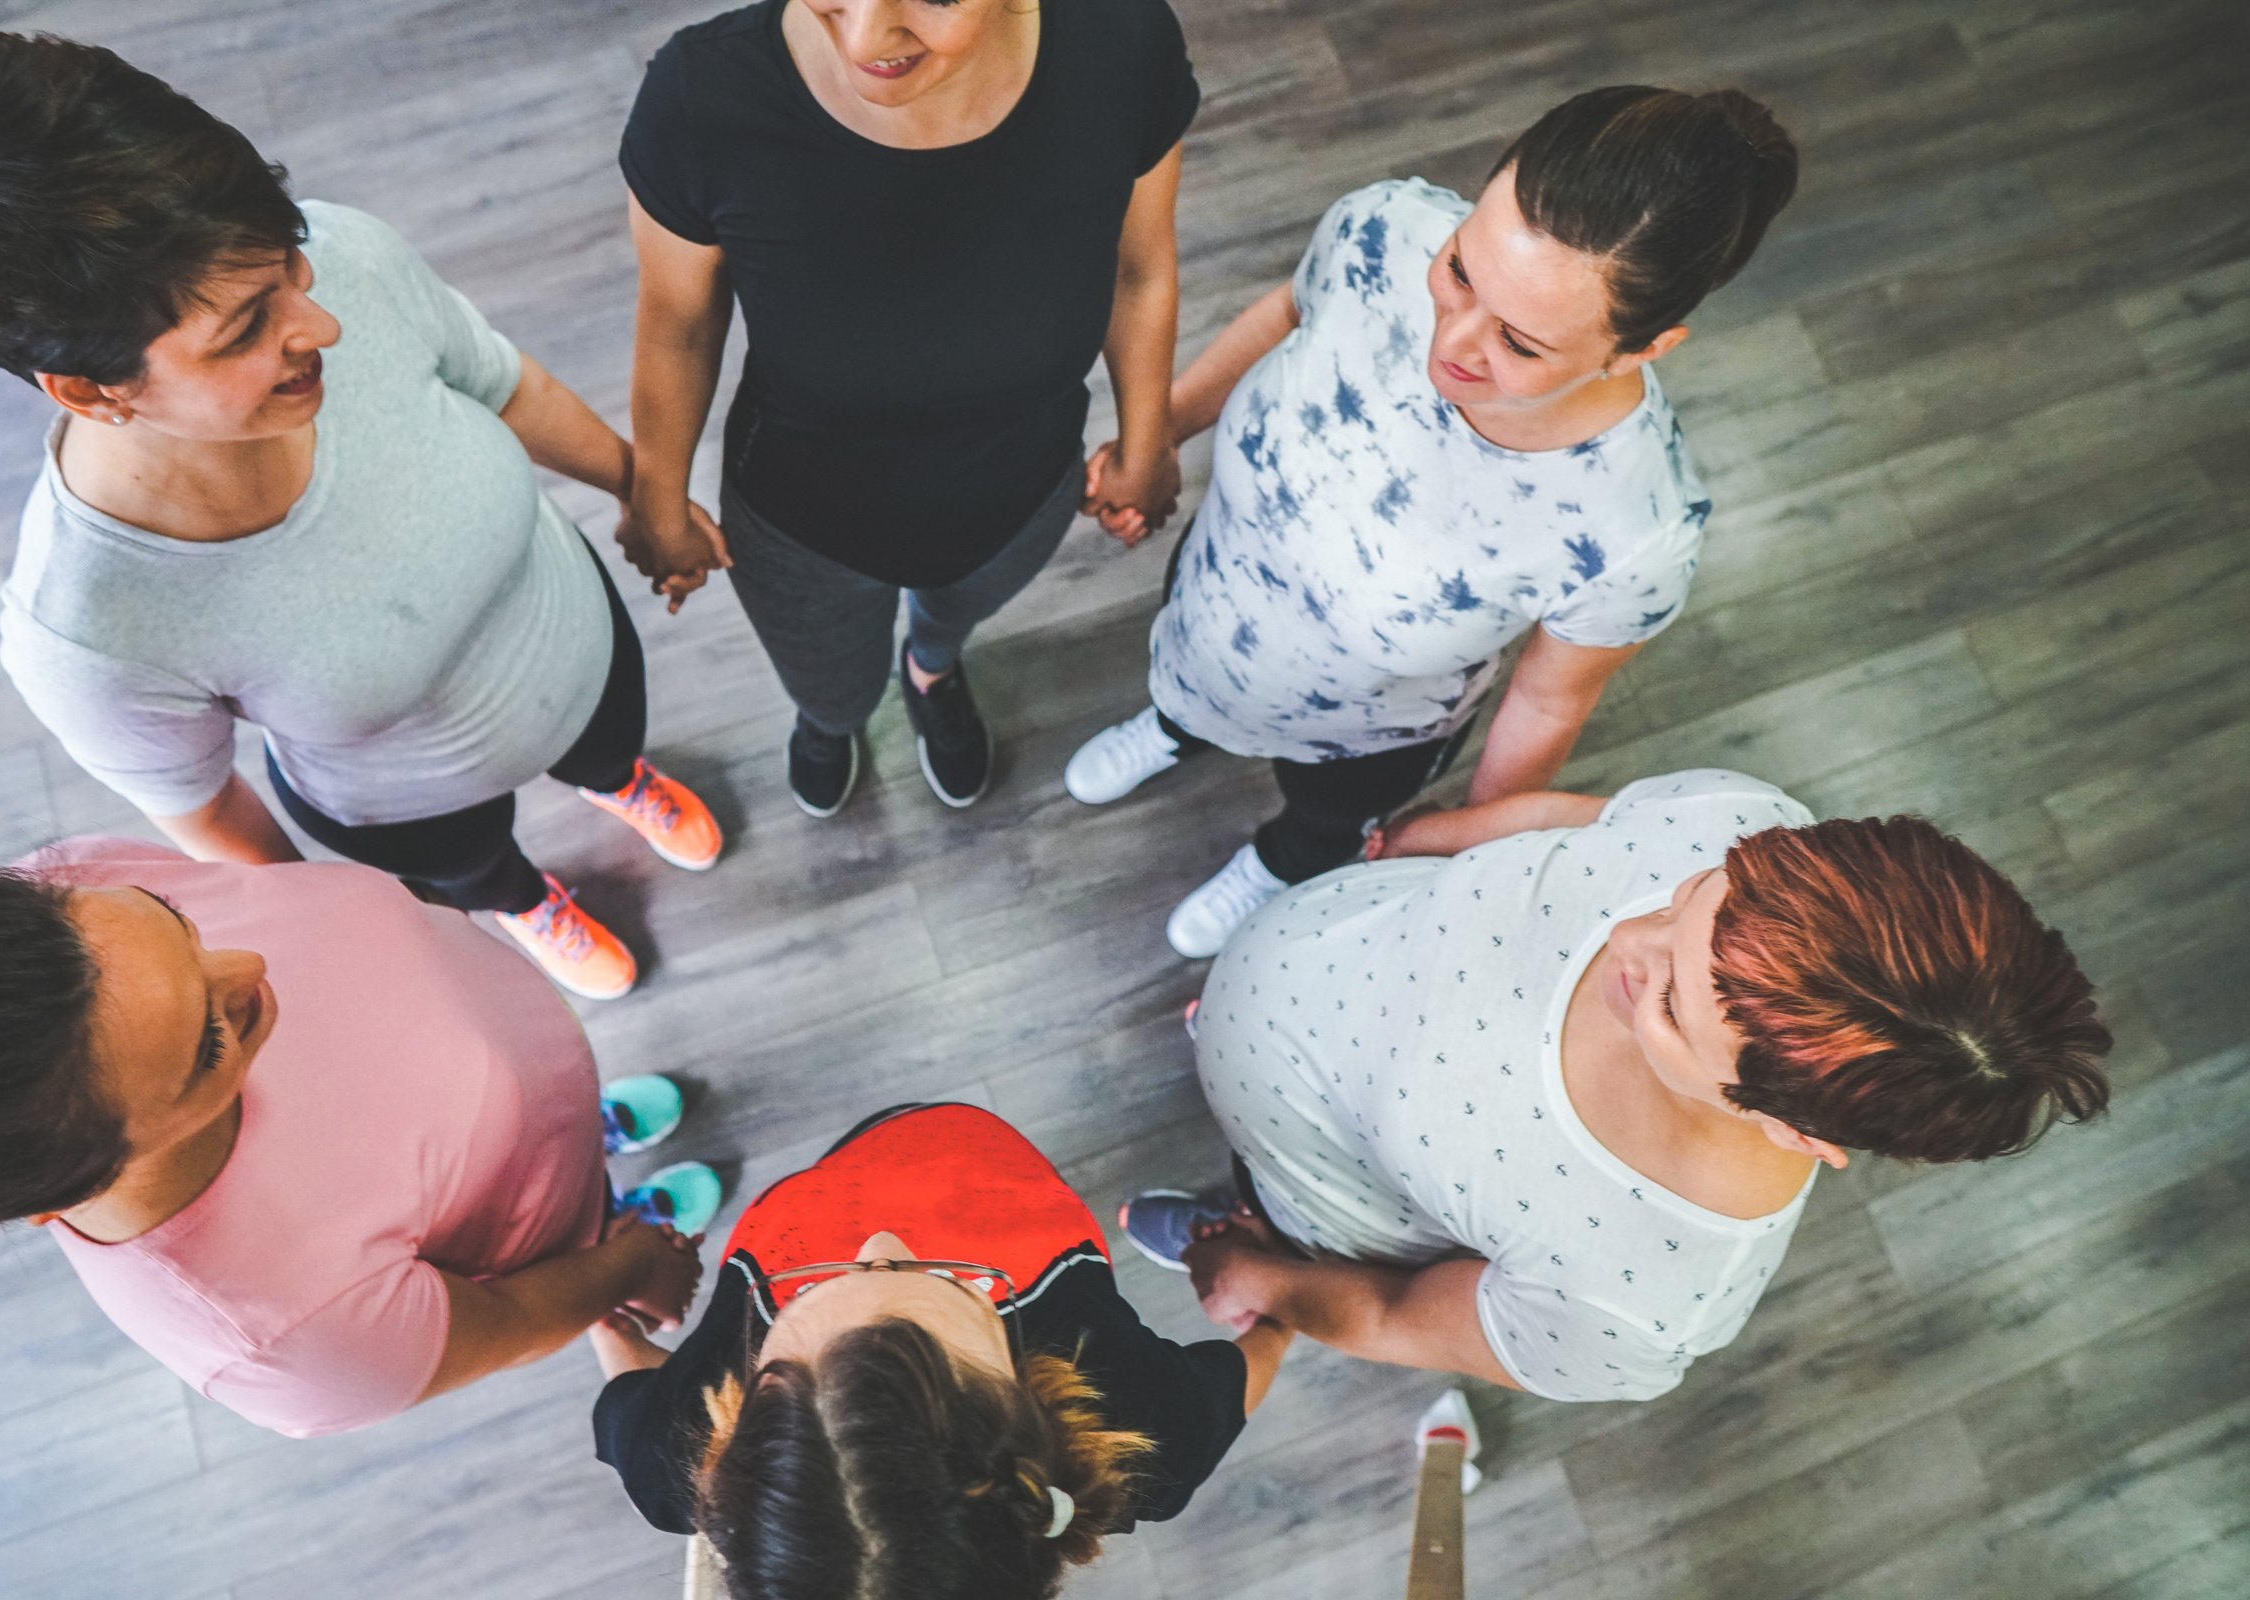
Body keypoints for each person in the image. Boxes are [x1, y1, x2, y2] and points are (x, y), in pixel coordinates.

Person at [0, 33, 722, 1000]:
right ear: (93, 392)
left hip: (577, 642)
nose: (321, 324)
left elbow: (499, 380)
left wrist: (645, 497)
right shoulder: (91, 637)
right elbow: (209, 809)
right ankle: (521, 899)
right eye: (246, 328)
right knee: (471, 865)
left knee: (607, 738)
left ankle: (614, 777)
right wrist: (343, 932)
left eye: (289, 266)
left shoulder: (347, 252)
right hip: (414, 805)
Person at [1062, 86, 1800, 958]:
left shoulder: (1634, 535)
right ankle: (1178, 722)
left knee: (1325, 815)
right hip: (1220, 587)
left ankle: (1281, 859)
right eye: (1459, 270)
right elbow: (1291, 313)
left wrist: (1467, 831)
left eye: (1520, 344)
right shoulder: (1383, 227)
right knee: (1189, 677)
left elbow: (1545, 696)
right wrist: (1163, 435)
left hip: (1360, 731)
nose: (1451, 342)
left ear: (1643, 348)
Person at [1120, 770, 2113, 1403]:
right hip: (1319, 949)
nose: (1624, 942)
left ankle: (1233, 1212)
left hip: (1312, 1191)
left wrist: (1266, 1281)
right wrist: (1440, 835)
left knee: (1262, 1219)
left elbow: (1391, 1313)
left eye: (1673, 1006)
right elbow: (1581, 822)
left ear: (1799, 1133)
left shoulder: (1635, 1304)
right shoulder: (1751, 821)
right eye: (1693, 896)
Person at [0, 839, 712, 1436]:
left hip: (515, 1043)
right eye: (207, 1042)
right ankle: (610, 1214)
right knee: (571, 1208)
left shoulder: (62, 894)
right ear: (69, 1188)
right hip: (539, 1233)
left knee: (527, 1124)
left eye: (170, 917)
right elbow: (514, 1317)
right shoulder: (287, 1340)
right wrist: (631, 1265)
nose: (250, 968)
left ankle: (579, 1132)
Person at [620, 0, 1197, 816]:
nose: (863, 37)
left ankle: (931, 671)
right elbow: (676, 326)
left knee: (952, 621)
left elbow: (1140, 269)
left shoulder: (1122, 41)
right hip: (799, 519)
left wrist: (1149, 448)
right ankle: (830, 720)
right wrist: (657, 498)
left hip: (1019, 491)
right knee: (826, 677)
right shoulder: (702, 95)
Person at [589, 1103, 1290, 1597]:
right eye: (943, 1287)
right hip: (1001, 1181)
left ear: (727, 1459)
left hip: (825, 1191)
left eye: (813, 1298)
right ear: (1022, 1411)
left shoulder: (668, 1460)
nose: (878, 1246)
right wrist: (1282, 1309)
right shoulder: (1143, 1438)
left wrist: (607, 1315)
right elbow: (1230, 1386)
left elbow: (636, 1388)